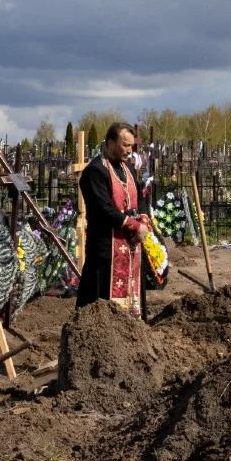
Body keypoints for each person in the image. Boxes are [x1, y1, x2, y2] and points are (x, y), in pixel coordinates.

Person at [76, 123, 152, 319]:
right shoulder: (95, 171)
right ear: (110, 143)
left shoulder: (127, 168)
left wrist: (144, 218)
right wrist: (134, 225)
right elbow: (104, 208)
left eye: (132, 146)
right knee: (100, 305)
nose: (130, 150)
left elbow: (140, 197)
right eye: (125, 145)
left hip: (131, 247)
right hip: (106, 247)